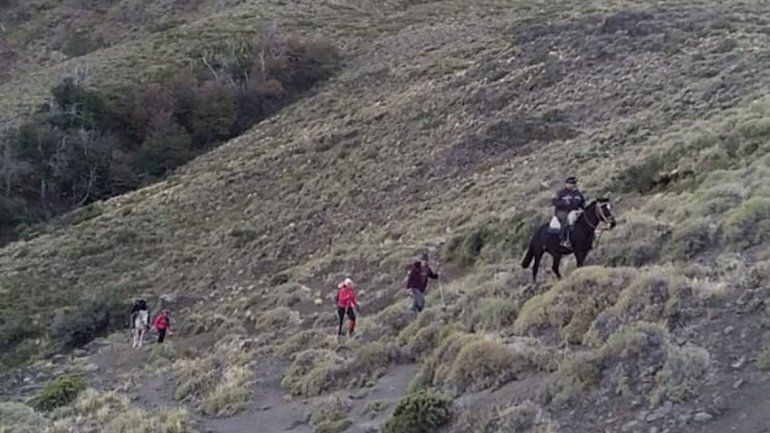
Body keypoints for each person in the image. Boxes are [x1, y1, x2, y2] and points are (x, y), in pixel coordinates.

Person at [552, 176, 585, 247]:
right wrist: (564, 203)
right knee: (566, 220)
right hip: (562, 211)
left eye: (572, 183)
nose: (570, 185)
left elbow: (582, 203)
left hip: (574, 211)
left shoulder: (578, 194)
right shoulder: (561, 193)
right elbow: (554, 201)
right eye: (568, 183)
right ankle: (563, 240)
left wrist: (583, 209)